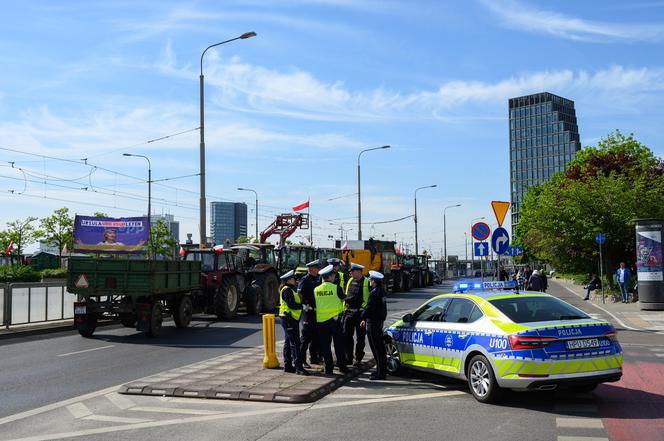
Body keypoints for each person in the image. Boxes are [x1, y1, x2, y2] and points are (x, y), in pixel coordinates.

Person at [314, 264, 348, 375]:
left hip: (321, 322)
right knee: (339, 345)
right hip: (335, 321)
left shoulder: (316, 290)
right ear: (330, 276)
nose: (335, 277)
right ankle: (342, 367)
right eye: (333, 275)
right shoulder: (336, 288)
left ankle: (329, 369)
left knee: (325, 346)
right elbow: (344, 298)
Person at [278, 270, 309, 376]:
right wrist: (302, 306)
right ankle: (298, 367)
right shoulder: (287, 290)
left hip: (289, 318)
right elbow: (291, 305)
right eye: (293, 279)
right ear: (288, 280)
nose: (295, 280)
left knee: (288, 342)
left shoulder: (290, 289)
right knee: (295, 343)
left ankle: (288, 365)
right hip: (289, 319)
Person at [361, 270, 388, 380]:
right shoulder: (381, 291)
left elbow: (369, 308)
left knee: (376, 348)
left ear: (374, 281)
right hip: (379, 322)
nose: (369, 281)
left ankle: (380, 373)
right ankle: (380, 370)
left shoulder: (374, 292)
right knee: (379, 348)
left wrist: (362, 316)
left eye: (371, 279)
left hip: (373, 322)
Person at [343, 263, 369, 367]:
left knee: (360, 338)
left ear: (359, 272)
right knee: (347, 336)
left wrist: (364, 315)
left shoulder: (366, 282)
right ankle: (348, 358)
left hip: (360, 314)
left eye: (353, 271)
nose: (351, 273)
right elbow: (347, 296)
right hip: (349, 313)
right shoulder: (350, 280)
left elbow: (369, 300)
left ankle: (358, 359)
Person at [299, 259, 322, 368]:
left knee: (315, 336)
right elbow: (300, 295)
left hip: (316, 312)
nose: (319, 270)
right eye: (317, 268)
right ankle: (301, 360)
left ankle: (314, 358)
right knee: (305, 338)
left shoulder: (317, 278)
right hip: (308, 312)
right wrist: (305, 305)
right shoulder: (305, 280)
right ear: (312, 269)